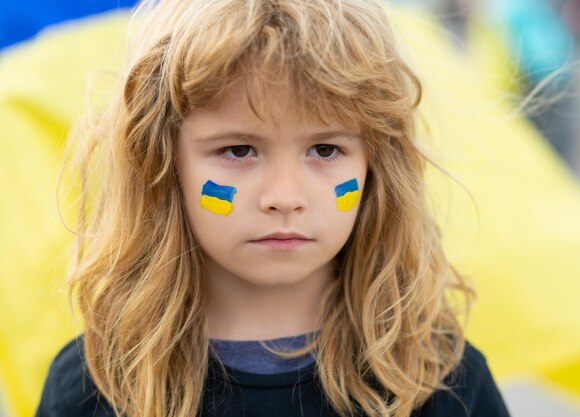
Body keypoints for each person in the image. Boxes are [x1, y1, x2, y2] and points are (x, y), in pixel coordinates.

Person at [35, 0, 511, 416]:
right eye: (239, 150)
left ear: (375, 166)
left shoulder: (442, 381)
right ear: (163, 162)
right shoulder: (92, 386)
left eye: (325, 150)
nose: (285, 196)